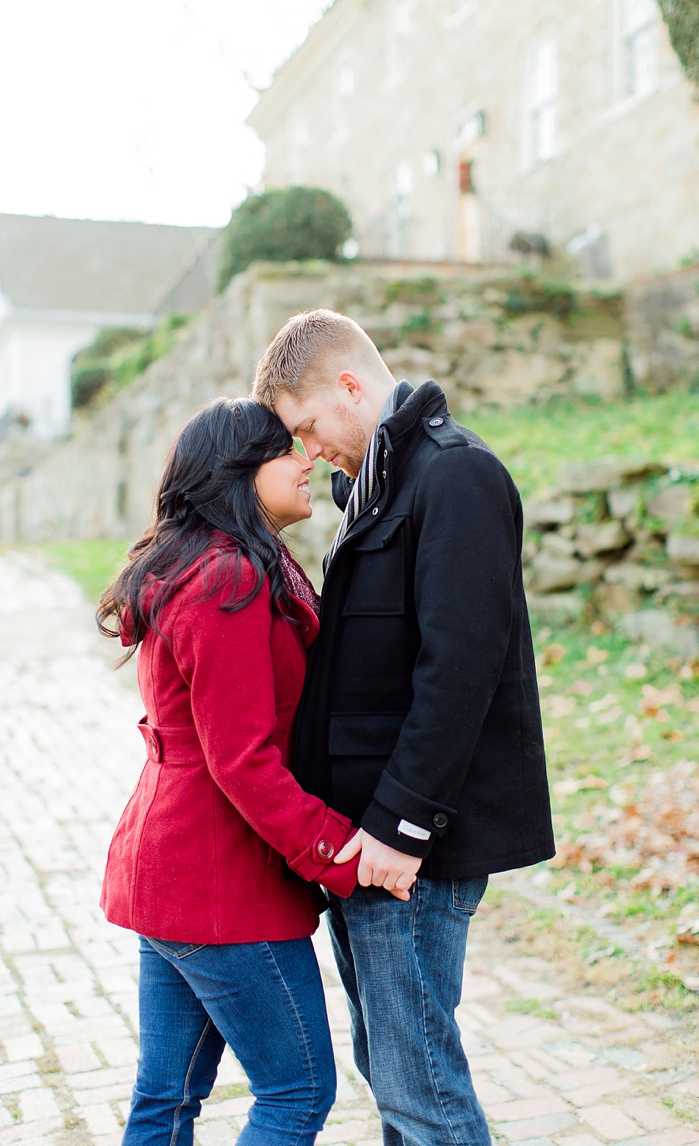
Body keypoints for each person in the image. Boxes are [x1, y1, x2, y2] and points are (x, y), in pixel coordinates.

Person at [253, 308, 555, 1145]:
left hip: (407, 852)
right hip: (364, 843)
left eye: (308, 426)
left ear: (351, 387)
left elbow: (460, 672)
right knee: (394, 1079)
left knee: (422, 1093)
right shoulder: (373, 488)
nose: (307, 451)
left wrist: (399, 825)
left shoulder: (457, 477)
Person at [98, 397, 371, 1146]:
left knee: (166, 1096)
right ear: (239, 473)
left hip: (172, 869)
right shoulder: (225, 581)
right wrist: (339, 850)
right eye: (286, 449)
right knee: (298, 1091)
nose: (307, 458)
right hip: (217, 881)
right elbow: (241, 759)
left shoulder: (215, 561)